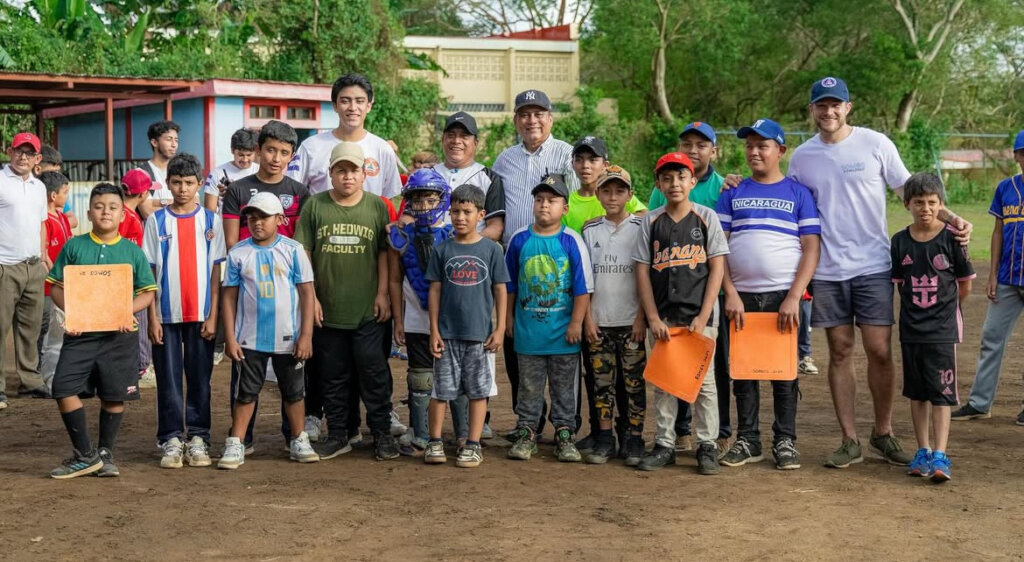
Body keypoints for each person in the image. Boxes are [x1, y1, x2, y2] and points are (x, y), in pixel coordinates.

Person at [778, 77, 970, 468]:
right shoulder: (802, 157)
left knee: (880, 351)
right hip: (828, 269)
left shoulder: (875, 144)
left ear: (848, 107)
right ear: (812, 109)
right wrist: (735, 183)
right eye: (821, 105)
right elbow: (787, 198)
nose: (828, 112)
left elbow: (910, 191)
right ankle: (849, 440)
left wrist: (952, 219)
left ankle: (883, 432)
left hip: (874, 265)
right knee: (840, 351)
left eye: (836, 105)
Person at [716, 119, 821, 471]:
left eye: (763, 146)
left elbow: (811, 248)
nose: (754, 152)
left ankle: (785, 440)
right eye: (749, 146)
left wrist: (795, 296)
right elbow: (719, 248)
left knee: (783, 372)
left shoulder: (798, 193)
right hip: (741, 298)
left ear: (781, 151)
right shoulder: (732, 192)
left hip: (783, 298)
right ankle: (748, 440)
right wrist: (729, 292)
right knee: (744, 372)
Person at [45, 182, 157, 478]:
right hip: (80, 334)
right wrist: (73, 312)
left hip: (119, 337)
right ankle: (86, 455)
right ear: (88, 212)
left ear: (122, 214)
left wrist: (125, 311)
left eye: (112, 207)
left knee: (114, 395)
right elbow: (56, 286)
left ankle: (106, 454)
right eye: (99, 206)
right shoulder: (74, 246)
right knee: (63, 388)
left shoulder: (132, 251)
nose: (105, 212)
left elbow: (147, 293)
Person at [294, 142, 398, 461]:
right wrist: (311, 299)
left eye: (353, 170)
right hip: (328, 310)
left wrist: (382, 294)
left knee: (374, 373)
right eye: (341, 170)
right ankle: (340, 433)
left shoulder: (376, 206)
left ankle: (381, 433)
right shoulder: (315, 206)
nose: (347, 176)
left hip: (368, 310)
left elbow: (384, 254)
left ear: (364, 174)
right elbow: (303, 253)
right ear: (331, 173)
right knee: (333, 375)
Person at [633, 152, 728, 475]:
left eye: (681, 177)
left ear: (693, 181)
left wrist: (704, 315)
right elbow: (642, 271)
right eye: (667, 178)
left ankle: (707, 444)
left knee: (705, 383)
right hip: (663, 316)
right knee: (664, 382)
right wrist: (652, 317)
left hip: (700, 317)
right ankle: (665, 443)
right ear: (658, 184)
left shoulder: (706, 217)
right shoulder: (651, 220)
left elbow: (717, 268)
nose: (674, 183)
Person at [220, 120, 311, 449]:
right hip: (250, 290)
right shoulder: (238, 190)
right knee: (246, 375)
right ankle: (242, 440)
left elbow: (302, 244)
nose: (276, 158)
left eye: (284, 153)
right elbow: (232, 242)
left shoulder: (299, 192)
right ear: (258, 150)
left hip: (287, 293)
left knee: (291, 379)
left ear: (292, 156)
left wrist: (309, 297)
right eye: (270, 150)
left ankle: (293, 437)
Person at [492, 90, 578, 437]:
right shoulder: (504, 159)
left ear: (550, 118)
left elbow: (588, 191)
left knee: (562, 349)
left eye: (538, 113)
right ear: (516, 120)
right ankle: (528, 421)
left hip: (559, 262)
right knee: (516, 342)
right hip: (516, 258)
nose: (532, 121)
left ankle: (566, 423)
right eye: (525, 114)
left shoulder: (567, 154)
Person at [217, 192, 319, 469]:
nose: (257, 223)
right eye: (252, 218)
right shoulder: (238, 253)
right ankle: (236, 442)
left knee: (294, 391)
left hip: (289, 338)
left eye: (263, 217)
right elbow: (229, 298)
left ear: (280, 219)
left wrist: (306, 335)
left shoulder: (293, 250)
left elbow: (307, 293)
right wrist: (230, 338)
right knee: (246, 392)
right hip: (249, 339)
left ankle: (298, 439)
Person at [143, 153, 225, 469]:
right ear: (168, 183)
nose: (182, 189)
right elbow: (149, 272)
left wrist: (213, 314)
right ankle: (171, 438)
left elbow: (216, 271)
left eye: (189, 183)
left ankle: (199, 436)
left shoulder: (211, 221)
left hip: (201, 314)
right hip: (165, 314)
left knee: (200, 378)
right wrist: (152, 317)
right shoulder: (156, 221)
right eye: (176, 182)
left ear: (199, 184)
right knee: (168, 379)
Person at [890, 172, 974, 482]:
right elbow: (901, 285)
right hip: (911, 331)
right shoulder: (899, 241)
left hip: (942, 331)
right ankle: (922, 451)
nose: (925, 208)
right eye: (918, 203)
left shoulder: (953, 238)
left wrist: (946, 313)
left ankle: (940, 454)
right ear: (907, 204)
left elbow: (964, 284)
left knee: (942, 393)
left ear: (941, 204)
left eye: (931, 203)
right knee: (917, 393)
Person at [504, 173, 593, 462]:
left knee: (564, 388)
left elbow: (582, 288)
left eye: (552, 200)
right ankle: (527, 432)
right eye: (539, 199)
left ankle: (565, 434)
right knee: (528, 387)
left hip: (563, 334)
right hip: (528, 333)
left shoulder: (571, 241)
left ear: (564, 208)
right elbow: (509, 285)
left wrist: (576, 323)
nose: (544, 205)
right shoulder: (520, 239)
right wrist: (507, 320)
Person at [424, 184, 509, 467]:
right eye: (456, 211)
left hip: (480, 336)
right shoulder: (442, 249)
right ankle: (434, 442)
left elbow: (500, 290)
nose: (460, 217)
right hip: (447, 335)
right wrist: (434, 330)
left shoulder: (492, 250)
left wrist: (499, 329)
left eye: (467, 212)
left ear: (481, 214)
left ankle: (473, 444)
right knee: (441, 391)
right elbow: (434, 291)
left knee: (478, 391)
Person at [388, 169, 470, 455]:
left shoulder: (455, 234)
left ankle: (463, 434)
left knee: (457, 377)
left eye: (430, 200)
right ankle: (420, 434)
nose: (423, 206)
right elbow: (395, 280)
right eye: (417, 200)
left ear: (442, 200)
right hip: (415, 319)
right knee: (420, 378)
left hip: (453, 320)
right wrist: (398, 319)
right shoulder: (400, 237)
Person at [953, 130, 1024, 424]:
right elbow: (998, 233)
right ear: (1016, 155)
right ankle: (980, 403)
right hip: (1007, 278)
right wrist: (992, 274)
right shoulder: (1006, 188)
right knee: (991, 337)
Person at [580, 166, 648, 466]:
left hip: (631, 321)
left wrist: (641, 318)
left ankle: (634, 438)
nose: (612, 197)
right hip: (599, 322)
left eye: (620, 191)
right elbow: (584, 280)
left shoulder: (641, 227)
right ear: (597, 194)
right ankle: (605, 438)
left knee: (634, 384)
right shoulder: (589, 230)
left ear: (630, 195)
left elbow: (645, 277)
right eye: (606, 191)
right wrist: (587, 319)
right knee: (601, 383)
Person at [287, 73, 402, 199]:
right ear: (335, 106)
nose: (352, 108)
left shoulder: (383, 150)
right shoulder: (310, 147)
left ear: (368, 106)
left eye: (359, 101)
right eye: (345, 101)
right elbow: (292, 193)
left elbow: (389, 200)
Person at [0, 132, 51, 408]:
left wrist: (43, 256)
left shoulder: (38, 187)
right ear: (10, 151)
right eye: (20, 151)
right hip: (4, 266)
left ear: (37, 158)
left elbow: (42, 223)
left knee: (30, 328)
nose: (23, 157)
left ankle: (30, 381)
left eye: (30, 153)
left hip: (33, 266)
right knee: (0, 327)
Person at [427, 112, 505, 243]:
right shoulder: (427, 175)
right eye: (451, 135)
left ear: (475, 143)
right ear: (443, 139)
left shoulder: (488, 178)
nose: (456, 141)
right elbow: (408, 217)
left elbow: (495, 228)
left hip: (471, 251)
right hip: (428, 249)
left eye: (464, 136)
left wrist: (464, 245)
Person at [36, 171, 74, 391]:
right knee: (46, 330)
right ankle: (42, 377)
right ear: (53, 195)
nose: (67, 196)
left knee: (59, 330)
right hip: (51, 286)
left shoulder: (61, 217)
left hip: (65, 283)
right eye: (65, 192)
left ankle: (57, 375)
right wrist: (56, 278)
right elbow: (45, 255)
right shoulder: (45, 220)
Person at [118, 169, 156, 389]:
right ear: (142, 194)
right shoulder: (129, 217)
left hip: (121, 279)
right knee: (139, 322)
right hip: (130, 280)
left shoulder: (121, 211)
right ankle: (141, 367)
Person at [563, 136, 647, 233]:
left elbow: (646, 216)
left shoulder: (618, 195)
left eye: (592, 160)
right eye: (579, 160)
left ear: (605, 165)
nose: (585, 165)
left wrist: (604, 220)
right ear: (572, 164)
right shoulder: (567, 204)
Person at [203, 128, 259, 213]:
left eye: (249, 155)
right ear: (232, 150)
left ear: (256, 152)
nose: (245, 159)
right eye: (241, 155)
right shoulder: (217, 174)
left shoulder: (261, 171)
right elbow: (210, 212)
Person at [138, 120, 180, 219]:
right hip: (154, 228)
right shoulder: (141, 173)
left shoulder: (182, 171)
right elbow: (148, 213)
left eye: (176, 140)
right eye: (169, 139)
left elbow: (195, 203)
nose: (174, 144)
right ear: (154, 142)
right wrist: (178, 204)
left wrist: (157, 202)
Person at [34, 145, 78, 229]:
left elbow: (74, 220)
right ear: (38, 170)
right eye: (52, 173)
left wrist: (55, 225)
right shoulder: (29, 194)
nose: (57, 176)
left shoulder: (58, 194)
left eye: (58, 172)